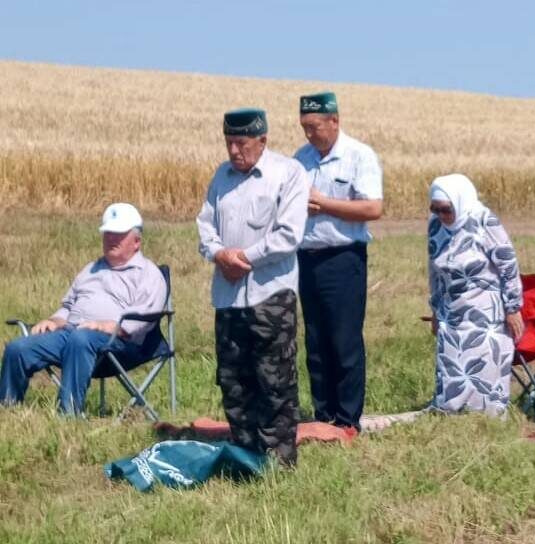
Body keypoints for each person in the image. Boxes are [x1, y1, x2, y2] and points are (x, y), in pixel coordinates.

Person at [197, 108, 309, 467]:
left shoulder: (288, 173)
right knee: (234, 379)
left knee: (273, 379)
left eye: (241, 143)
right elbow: (205, 226)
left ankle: (278, 460)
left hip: (269, 293)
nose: (233, 151)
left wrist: (241, 258)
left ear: (262, 141)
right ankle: (244, 455)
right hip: (228, 295)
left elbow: (288, 235)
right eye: (229, 142)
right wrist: (218, 254)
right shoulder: (221, 176)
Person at [0, 203, 167, 415]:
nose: (111, 239)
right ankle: (7, 410)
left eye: (118, 234)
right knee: (18, 348)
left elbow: (143, 321)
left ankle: (69, 414)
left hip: (119, 344)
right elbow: (68, 307)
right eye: (107, 233)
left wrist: (106, 326)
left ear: (136, 241)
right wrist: (54, 321)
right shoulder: (91, 269)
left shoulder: (149, 274)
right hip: (71, 333)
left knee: (81, 339)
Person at [294, 91, 383, 431]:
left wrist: (325, 204)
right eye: (304, 127)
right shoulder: (300, 159)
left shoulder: (359, 156)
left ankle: (347, 421)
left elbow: (372, 208)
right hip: (307, 257)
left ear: (334, 121)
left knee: (343, 339)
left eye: (314, 126)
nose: (309, 134)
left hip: (343, 258)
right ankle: (323, 415)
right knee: (315, 341)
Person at [427, 174, 524, 416]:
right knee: (453, 370)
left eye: (446, 210)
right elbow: (434, 270)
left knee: (483, 367)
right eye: (435, 209)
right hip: (452, 311)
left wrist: (513, 307)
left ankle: (486, 419)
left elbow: (507, 264)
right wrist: (436, 310)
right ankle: (453, 416)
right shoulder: (435, 225)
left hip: (485, 310)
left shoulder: (484, 221)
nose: (441, 215)